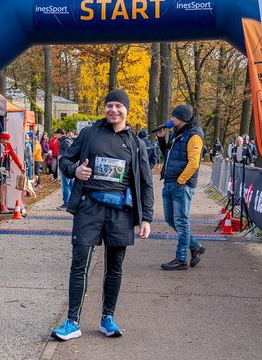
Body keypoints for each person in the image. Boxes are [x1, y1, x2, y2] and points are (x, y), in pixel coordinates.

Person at [52, 89, 153, 341]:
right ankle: (72, 321)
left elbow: (146, 183)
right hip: (89, 208)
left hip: (120, 212)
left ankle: (108, 318)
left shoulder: (136, 144)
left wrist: (146, 218)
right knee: (79, 264)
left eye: (119, 106)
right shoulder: (90, 133)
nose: (113, 110)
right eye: (110, 105)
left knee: (115, 267)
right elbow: (65, 160)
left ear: (127, 110)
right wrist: (75, 171)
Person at [156, 104, 205, 271]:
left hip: (181, 185)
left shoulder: (194, 135)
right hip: (170, 181)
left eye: (174, 117)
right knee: (171, 219)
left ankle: (181, 258)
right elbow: (169, 155)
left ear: (182, 119)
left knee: (182, 221)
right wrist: (161, 139)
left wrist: (181, 181)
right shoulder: (177, 132)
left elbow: (194, 163)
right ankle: (195, 246)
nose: (171, 119)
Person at [57, 129, 76, 211]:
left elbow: (69, 152)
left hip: (66, 165)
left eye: (57, 134)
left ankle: (66, 203)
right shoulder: (67, 140)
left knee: (66, 184)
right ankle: (74, 203)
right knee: (71, 185)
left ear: (60, 134)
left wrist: (62, 157)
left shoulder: (65, 141)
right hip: (70, 165)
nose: (56, 136)